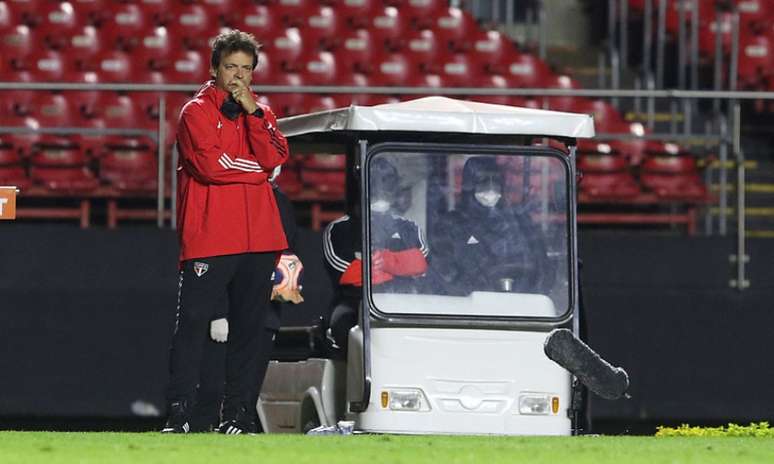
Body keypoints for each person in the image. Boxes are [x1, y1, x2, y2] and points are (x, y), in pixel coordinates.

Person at [163, 30, 289, 434]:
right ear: (215, 67)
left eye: (246, 69)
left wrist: (252, 113)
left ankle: (236, 416)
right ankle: (180, 415)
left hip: (260, 238)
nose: (238, 76)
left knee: (250, 332)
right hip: (211, 235)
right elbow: (210, 166)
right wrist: (258, 172)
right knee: (193, 327)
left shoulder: (262, 113)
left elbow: (276, 157)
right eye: (231, 67)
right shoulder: (195, 111)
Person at [190, 182, 303, 433]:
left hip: (265, 310)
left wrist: (288, 278)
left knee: (249, 386)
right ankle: (203, 432)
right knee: (213, 387)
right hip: (229, 313)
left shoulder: (281, 202)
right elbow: (216, 259)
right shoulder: (231, 197)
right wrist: (218, 313)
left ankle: (240, 426)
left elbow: (290, 251)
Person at [322, 158, 428, 354]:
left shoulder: (409, 228)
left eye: (386, 183)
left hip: (404, 308)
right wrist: (399, 266)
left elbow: (421, 264)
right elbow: (347, 274)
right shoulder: (340, 229)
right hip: (354, 308)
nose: (381, 191)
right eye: (375, 184)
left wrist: (383, 262)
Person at [430, 156, 550, 295]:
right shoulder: (450, 226)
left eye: (496, 183)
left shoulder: (520, 222)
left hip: (522, 305)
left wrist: (526, 295)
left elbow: (543, 267)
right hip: (471, 308)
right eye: (483, 183)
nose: (491, 190)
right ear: (470, 186)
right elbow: (444, 273)